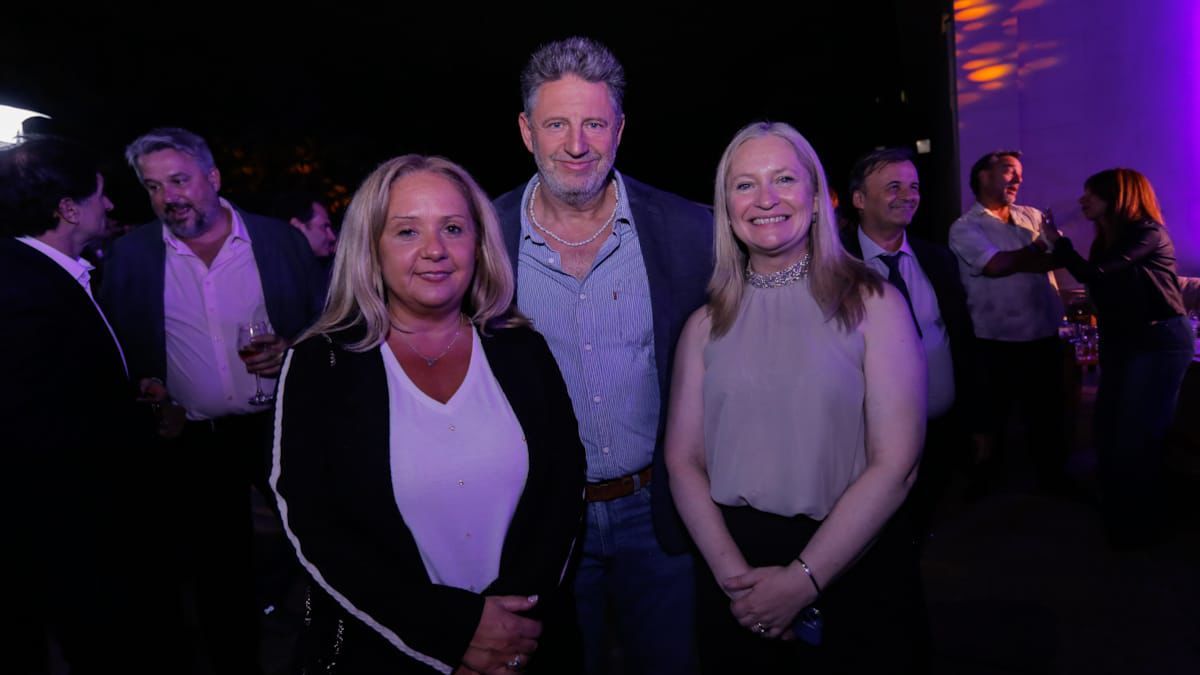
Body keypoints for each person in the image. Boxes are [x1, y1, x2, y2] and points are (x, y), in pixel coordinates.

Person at [272, 154, 586, 674]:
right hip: (385, 650)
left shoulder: (520, 349)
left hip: (523, 646)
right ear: (370, 246)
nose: (434, 250)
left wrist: (505, 630)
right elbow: (312, 525)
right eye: (406, 231)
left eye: (453, 228)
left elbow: (562, 486)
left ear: (479, 243)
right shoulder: (320, 364)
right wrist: (453, 632)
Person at [665, 122, 928, 673]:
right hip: (733, 569)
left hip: (853, 560)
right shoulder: (703, 326)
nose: (765, 199)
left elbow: (896, 465)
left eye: (783, 179)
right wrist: (736, 583)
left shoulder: (874, 304)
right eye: (744, 185)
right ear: (726, 206)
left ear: (815, 198)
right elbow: (684, 463)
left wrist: (801, 580)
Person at [493, 36, 713, 675]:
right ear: (527, 131)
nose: (576, 143)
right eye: (556, 123)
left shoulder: (687, 230)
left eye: (594, 122)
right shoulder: (484, 237)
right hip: (539, 521)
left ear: (619, 129)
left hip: (662, 515)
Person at [99, 127, 326, 674]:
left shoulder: (277, 241)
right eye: (153, 187)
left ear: (213, 179)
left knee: (321, 548)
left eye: (179, 180)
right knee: (219, 572)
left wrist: (293, 349)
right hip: (198, 440)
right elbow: (120, 345)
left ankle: (330, 656)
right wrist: (147, 387)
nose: (168, 197)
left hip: (280, 428)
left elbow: (329, 323)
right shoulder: (131, 256)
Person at [0, 137, 184, 674]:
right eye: (101, 194)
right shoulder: (23, 288)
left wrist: (126, 391)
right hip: (68, 532)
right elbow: (36, 423)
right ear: (67, 208)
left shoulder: (48, 274)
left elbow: (61, 385)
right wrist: (142, 422)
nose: (110, 205)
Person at [1043, 168, 1193, 549]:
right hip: (1125, 341)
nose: (1082, 201)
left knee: (1137, 436)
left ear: (1116, 196)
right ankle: (1121, 518)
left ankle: (1141, 527)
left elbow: (1094, 273)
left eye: (1090, 193)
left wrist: (1059, 245)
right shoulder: (1105, 241)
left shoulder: (1148, 233)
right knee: (1108, 431)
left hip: (1159, 340)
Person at [840, 147, 977, 540]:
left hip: (937, 433)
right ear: (859, 199)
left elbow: (961, 341)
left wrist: (976, 418)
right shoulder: (832, 268)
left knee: (921, 518)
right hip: (864, 443)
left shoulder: (937, 259)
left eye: (913, 186)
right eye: (893, 186)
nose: (908, 195)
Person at [948, 150, 1069, 496]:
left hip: (1043, 336)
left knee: (1047, 417)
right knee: (993, 418)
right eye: (1008, 171)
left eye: (1019, 173)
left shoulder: (1030, 215)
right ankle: (986, 487)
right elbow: (996, 266)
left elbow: (1058, 254)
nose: (1018, 179)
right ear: (983, 176)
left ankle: (1053, 481)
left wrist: (1023, 258)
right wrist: (1033, 254)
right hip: (994, 341)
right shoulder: (964, 227)